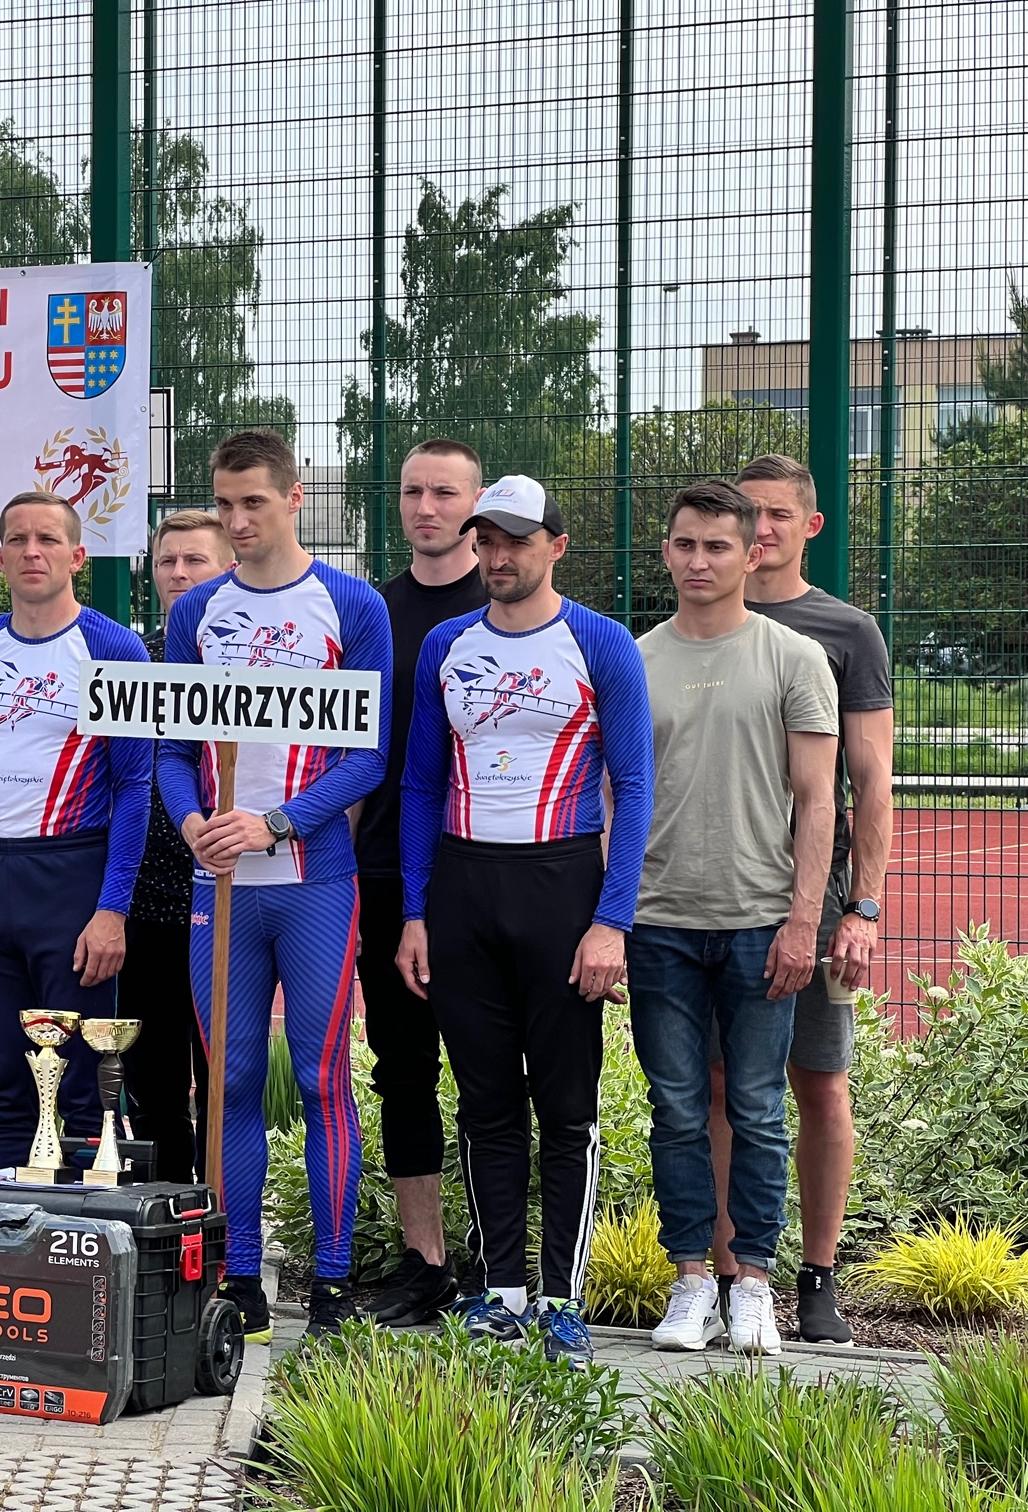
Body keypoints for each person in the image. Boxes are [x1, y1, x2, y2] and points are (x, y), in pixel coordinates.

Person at [395, 476, 654, 1368]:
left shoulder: (601, 642)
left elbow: (635, 786)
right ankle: (501, 1291)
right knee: (486, 1103)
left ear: (556, 546)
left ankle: (563, 1301)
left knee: (567, 1108)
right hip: (464, 889)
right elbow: (421, 784)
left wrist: (611, 921)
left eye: (516, 540)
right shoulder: (446, 645)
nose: (498, 556)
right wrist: (416, 911)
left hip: (563, 888)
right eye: (488, 540)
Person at [157, 429, 392, 1340]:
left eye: (253, 501)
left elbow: (368, 755)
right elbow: (173, 750)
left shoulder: (351, 603)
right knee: (232, 1079)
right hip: (220, 887)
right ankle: (241, 1274)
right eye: (225, 504)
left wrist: (278, 822)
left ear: (295, 498)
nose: (237, 519)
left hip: (313, 880)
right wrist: (193, 826)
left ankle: (331, 1281)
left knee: (325, 1078)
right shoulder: (196, 610)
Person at [632, 480, 837, 1357]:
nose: (699, 560)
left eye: (718, 545)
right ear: (666, 551)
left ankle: (752, 1284)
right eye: (685, 544)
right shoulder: (634, 659)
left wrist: (803, 922)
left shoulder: (796, 658)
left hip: (761, 921)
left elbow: (819, 800)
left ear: (752, 554)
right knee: (676, 1109)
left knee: (756, 1107)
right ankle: (691, 1284)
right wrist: (611, 915)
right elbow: (613, 796)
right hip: (657, 921)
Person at [703, 455, 895, 1346]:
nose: (762, 528)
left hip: (814, 903)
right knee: (715, 1086)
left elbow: (871, 780)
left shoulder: (846, 631)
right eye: (750, 512)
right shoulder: (698, 621)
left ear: (810, 526)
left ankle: (817, 1279)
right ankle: (722, 1275)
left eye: (779, 514)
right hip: (713, 896)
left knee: (819, 1083)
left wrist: (863, 907)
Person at [0, 492, 150, 1171]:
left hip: (73, 876)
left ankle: (84, 1224)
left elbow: (134, 787)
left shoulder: (112, 646)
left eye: (48, 539)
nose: (32, 551)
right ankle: (13, 1223)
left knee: (82, 1085)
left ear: (77, 556)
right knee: (0, 1082)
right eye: (18, 539)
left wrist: (112, 908)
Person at [353, 440, 489, 1326]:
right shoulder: (371, 613)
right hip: (379, 873)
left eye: (445, 492)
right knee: (402, 1070)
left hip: (486, 871)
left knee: (491, 1075)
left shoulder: (508, 609)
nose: (426, 507)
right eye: (412, 491)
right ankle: (424, 1260)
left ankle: (498, 1260)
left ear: (476, 505)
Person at [119, 510, 232, 1182]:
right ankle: (163, 1213)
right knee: (152, 1076)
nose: (180, 574)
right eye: (168, 561)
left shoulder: (256, 666)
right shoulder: (133, 663)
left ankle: (225, 1217)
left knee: (226, 1075)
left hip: (230, 896)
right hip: (144, 901)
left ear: (229, 569)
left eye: (196, 561)